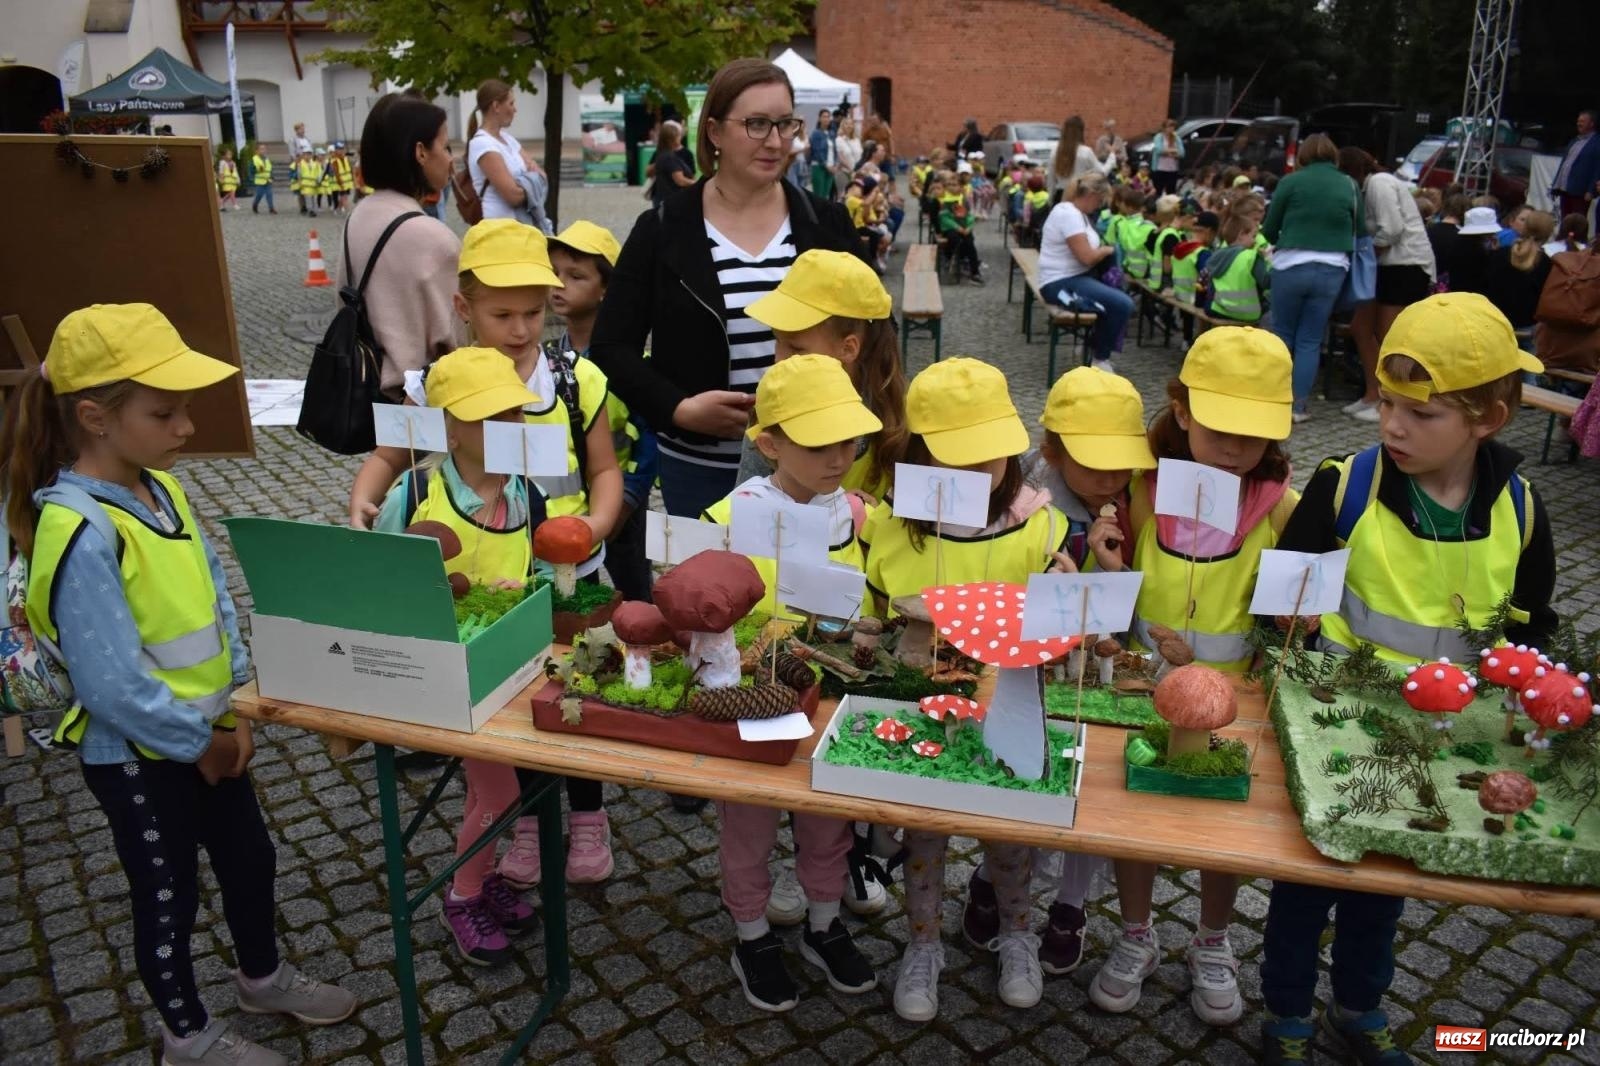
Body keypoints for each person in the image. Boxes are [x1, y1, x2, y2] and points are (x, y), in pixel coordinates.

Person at [4, 303, 356, 1066]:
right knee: (168, 895)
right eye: (164, 412)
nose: (187, 427)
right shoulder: (81, 530)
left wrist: (235, 707)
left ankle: (260, 977)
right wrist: (200, 740)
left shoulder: (161, 491)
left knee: (249, 859)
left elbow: (212, 601)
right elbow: (111, 684)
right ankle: (185, 1034)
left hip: (208, 736)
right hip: (137, 754)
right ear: (94, 417)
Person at [1260, 293, 1555, 1065]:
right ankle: (1287, 1016)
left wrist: (1531, 710)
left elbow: (1531, 628)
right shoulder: (1344, 486)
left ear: (1488, 418)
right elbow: (1284, 606)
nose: (1392, 425)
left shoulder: (1521, 507)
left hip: (1441, 743)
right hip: (1332, 728)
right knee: (1304, 882)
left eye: (1422, 415)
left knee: (1383, 888)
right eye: (1388, 403)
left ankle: (1358, 1008)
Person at [1091, 327, 1300, 1029]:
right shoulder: (1146, 493)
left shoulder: (1279, 508)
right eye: (1222, 426)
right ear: (1181, 411)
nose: (1238, 446)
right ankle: (1137, 931)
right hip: (1142, 693)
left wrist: (1294, 626)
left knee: (1223, 829)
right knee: (1136, 819)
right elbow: (1117, 599)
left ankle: (1213, 940)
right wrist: (1111, 569)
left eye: (1256, 431)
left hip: (1234, 701)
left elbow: (1283, 613)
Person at [862, 359, 1072, 1022]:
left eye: (989, 454)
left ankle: (1017, 935)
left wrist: (1067, 589)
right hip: (921, 708)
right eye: (956, 455)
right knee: (922, 835)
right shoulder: (893, 529)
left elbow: (1057, 613)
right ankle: (922, 945)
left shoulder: (1039, 526)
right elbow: (870, 610)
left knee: (1009, 839)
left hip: (1006, 703)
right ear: (917, 454)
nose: (975, 471)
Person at [591, 59, 858, 525]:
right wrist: (678, 408)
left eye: (785, 124)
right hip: (702, 467)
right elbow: (612, 348)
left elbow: (876, 334)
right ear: (714, 131)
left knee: (810, 595)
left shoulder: (826, 223)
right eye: (756, 124)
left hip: (817, 465)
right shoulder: (662, 229)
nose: (775, 141)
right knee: (708, 593)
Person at [700, 356, 880, 1013]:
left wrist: (874, 622)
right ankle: (750, 933)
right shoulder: (732, 513)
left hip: (834, 693)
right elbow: (700, 600)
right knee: (748, 820)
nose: (839, 457)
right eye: (820, 443)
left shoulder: (860, 516)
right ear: (771, 444)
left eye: (848, 441)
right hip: (759, 692)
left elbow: (881, 591)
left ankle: (824, 924)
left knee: (827, 818)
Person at [965, 367, 1150, 979]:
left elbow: (1126, 618)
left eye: (1119, 462)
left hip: (1089, 680)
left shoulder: (1131, 507)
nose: (1108, 476)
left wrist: (1108, 565)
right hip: (1026, 674)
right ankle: (993, 879)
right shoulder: (1028, 509)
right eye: (1092, 462)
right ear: (1050, 451)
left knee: (1088, 799)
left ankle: (1070, 905)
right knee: (1019, 783)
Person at [371, 347, 546, 966]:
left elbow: (538, 573)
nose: (507, 430)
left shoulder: (524, 494)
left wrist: (529, 593)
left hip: (508, 671)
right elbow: (377, 579)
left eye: (513, 415)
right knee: (497, 795)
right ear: (446, 426)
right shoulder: (416, 491)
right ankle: (464, 894)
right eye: (486, 417)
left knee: (494, 793)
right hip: (444, 679)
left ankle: (482, 874)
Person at [735, 248, 908, 499]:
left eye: (796, 348)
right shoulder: (775, 411)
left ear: (848, 348)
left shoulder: (905, 416)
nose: (779, 360)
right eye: (778, 342)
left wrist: (877, 520)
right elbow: (747, 506)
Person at [546, 220, 657, 603]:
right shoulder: (547, 361)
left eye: (576, 276)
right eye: (555, 273)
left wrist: (629, 496)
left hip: (624, 500)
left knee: (634, 591)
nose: (559, 284)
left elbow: (650, 438)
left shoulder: (631, 365)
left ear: (607, 288)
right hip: (570, 501)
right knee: (576, 594)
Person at [342, 92, 462, 402]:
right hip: (420, 406)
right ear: (421, 152)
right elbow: (455, 340)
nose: (451, 158)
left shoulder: (360, 215)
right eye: (445, 146)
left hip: (363, 387)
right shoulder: (433, 239)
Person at [1262, 133, 1362, 423]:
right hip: (1332, 268)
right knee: (1310, 339)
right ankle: (1298, 406)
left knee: (1282, 335)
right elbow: (1361, 228)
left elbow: (1269, 229)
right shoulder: (1349, 185)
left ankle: (1272, 399)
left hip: (1291, 265)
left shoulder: (1291, 182)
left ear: (1303, 155)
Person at [1339, 148, 1438, 423]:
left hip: (1405, 265)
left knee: (1388, 336)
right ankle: (1372, 393)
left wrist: (1367, 255)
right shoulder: (1372, 186)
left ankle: (1389, 399)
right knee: (1361, 328)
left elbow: (1391, 229)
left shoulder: (1380, 183)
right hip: (1385, 267)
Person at [1036, 171, 1133, 373]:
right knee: (1123, 304)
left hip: (1075, 276)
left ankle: (1092, 347)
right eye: (1100, 200)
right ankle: (1099, 359)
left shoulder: (1078, 214)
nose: (1100, 205)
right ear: (1090, 194)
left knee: (1115, 299)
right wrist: (1106, 250)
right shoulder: (1068, 215)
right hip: (1060, 282)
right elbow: (1086, 257)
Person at [467, 79, 547, 227]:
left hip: (521, 228)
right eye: (511, 104)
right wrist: (532, 180)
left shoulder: (508, 139)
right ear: (496, 106)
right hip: (501, 231)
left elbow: (542, 177)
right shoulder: (482, 144)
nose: (515, 110)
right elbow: (513, 196)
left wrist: (525, 184)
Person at [1483, 210, 1556, 341]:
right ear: (1548, 233)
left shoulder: (1500, 254)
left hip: (1496, 323)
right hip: (1528, 329)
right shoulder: (1546, 263)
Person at [1204, 212, 1271, 324]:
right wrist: (1268, 261)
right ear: (1241, 234)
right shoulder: (1251, 256)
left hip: (1217, 308)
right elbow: (1267, 282)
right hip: (1246, 313)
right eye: (1253, 236)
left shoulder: (1218, 254)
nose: (1255, 241)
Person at [1550, 109, 1600, 220]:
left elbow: (1598, 168)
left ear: (1591, 124)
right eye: (1578, 121)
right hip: (1565, 189)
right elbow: (1565, 164)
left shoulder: (1597, 143)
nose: (1579, 123)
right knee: (1565, 219)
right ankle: (1565, 237)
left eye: (1582, 121)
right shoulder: (1574, 141)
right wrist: (1556, 184)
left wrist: (1591, 190)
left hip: (1580, 191)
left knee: (1577, 221)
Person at [1047, 115, 1109, 201]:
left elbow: (1050, 180)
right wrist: (1112, 157)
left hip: (1060, 195)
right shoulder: (1086, 152)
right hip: (1079, 196)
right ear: (1081, 131)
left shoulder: (1055, 151)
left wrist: (1050, 200)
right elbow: (1102, 173)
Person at [647, 120, 695, 207]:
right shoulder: (669, 157)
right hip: (672, 200)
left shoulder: (663, 154)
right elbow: (680, 180)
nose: (680, 137)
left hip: (666, 199)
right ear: (672, 139)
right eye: (678, 135)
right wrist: (697, 183)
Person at [938, 193, 984, 284]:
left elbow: (970, 217)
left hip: (964, 228)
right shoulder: (945, 203)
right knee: (955, 238)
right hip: (949, 229)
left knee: (970, 242)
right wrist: (957, 227)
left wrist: (969, 227)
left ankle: (974, 272)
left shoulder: (963, 199)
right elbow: (943, 218)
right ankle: (953, 258)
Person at [1150, 118, 1186, 196]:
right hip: (1160, 169)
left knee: (1171, 191)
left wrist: (1169, 152)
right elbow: (1159, 150)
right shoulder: (1159, 137)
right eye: (1169, 127)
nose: (1171, 129)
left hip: (1172, 169)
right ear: (1164, 128)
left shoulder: (1176, 138)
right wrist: (1174, 151)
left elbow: (1182, 153)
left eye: (1172, 127)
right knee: (1158, 191)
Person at [808, 108, 837, 200]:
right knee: (819, 196)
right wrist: (826, 166)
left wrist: (835, 165)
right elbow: (817, 151)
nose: (826, 119)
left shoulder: (831, 133)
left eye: (828, 117)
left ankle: (824, 214)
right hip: (819, 166)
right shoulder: (816, 134)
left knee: (826, 196)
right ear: (819, 119)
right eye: (824, 117)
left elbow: (835, 151)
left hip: (831, 167)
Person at [833, 116, 862, 192]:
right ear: (842, 126)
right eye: (846, 124)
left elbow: (860, 156)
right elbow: (841, 158)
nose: (849, 126)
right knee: (843, 194)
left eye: (851, 124)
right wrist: (851, 170)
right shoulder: (839, 140)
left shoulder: (857, 140)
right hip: (845, 172)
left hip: (857, 173)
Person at [248, 143, 275, 214]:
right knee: (259, 195)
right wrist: (252, 176)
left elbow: (270, 169)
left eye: (264, 149)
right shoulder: (254, 159)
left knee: (269, 194)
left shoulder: (267, 159)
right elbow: (251, 169)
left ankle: (271, 208)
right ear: (257, 151)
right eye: (261, 149)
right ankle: (255, 205)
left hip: (268, 180)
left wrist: (272, 176)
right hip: (259, 181)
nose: (263, 151)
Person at [328, 141, 354, 214]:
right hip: (341, 182)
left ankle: (338, 208)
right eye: (339, 149)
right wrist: (340, 183)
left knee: (345, 197)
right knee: (344, 197)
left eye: (342, 149)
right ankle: (348, 212)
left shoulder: (346, 158)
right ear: (335, 150)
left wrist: (352, 180)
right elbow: (336, 173)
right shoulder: (334, 160)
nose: (341, 150)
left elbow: (350, 169)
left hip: (347, 182)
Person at [293, 148, 319, 217]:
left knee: (313, 198)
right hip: (305, 185)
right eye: (306, 154)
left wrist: (317, 181)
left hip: (313, 184)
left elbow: (317, 173)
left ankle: (313, 210)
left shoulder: (314, 163)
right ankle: (311, 211)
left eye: (309, 154)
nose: (307, 156)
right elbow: (299, 174)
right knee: (308, 198)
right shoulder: (301, 164)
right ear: (303, 155)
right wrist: (300, 183)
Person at [216, 146, 239, 211]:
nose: (230, 156)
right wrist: (221, 178)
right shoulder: (222, 162)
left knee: (230, 194)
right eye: (228, 154)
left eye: (231, 154)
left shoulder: (233, 163)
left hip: (233, 180)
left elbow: (235, 172)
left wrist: (238, 180)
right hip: (226, 180)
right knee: (232, 193)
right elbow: (221, 171)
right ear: (224, 155)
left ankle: (222, 201)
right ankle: (235, 204)